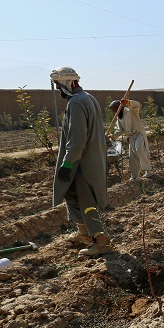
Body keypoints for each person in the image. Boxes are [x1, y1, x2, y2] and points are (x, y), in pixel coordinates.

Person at [50, 66, 113, 256]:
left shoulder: (76, 103)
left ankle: (100, 241)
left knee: (85, 201)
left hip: (80, 164)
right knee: (74, 198)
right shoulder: (89, 98)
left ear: (67, 83)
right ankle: (87, 236)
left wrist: (67, 163)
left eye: (58, 85)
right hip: (90, 161)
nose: (57, 89)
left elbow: (77, 140)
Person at [108, 99, 152, 180]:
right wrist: (113, 136)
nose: (114, 111)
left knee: (139, 149)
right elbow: (120, 129)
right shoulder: (119, 117)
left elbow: (137, 104)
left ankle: (148, 170)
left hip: (139, 134)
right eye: (113, 109)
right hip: (131, 137)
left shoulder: (131, 111)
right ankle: (135, 175)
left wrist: (128, 102)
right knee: (132, 156)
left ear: (119, 107)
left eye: (114, 108)